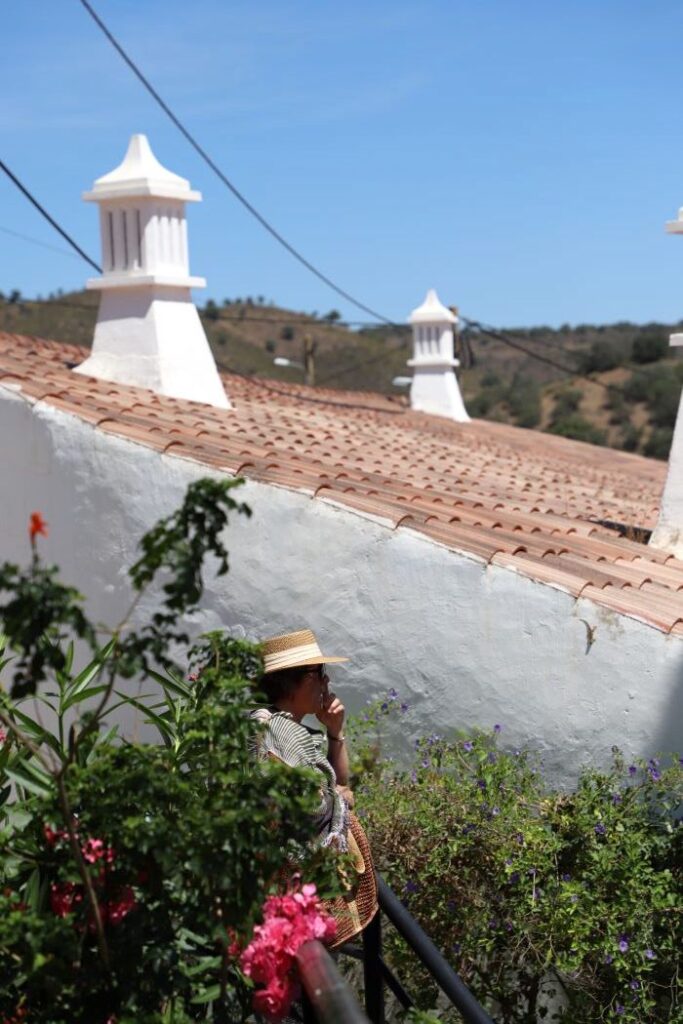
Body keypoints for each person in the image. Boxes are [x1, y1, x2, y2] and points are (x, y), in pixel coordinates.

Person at [252, 628, 378, 945]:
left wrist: (335, 732)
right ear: (308, 679)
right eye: (323, 674)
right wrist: (338, 797)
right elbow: (327, 802)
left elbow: (341, 786)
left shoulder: (283, 730)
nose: (327, 683)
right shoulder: (280, 735)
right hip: (300, 891)